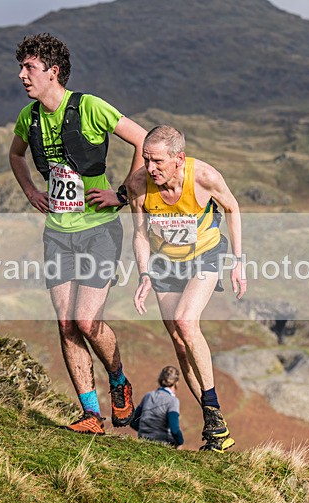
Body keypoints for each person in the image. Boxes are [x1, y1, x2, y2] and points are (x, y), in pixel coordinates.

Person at [8, 33, 148, 434]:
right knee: (66, 324)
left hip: (98, 230)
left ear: (53, 72)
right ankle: (91, 415)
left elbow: (142, 140)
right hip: (58, 233)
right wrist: (32, 191)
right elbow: (15, 155)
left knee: (87, 322)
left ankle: (119, 381)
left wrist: (122, 193)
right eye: (21, 68)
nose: (22, 76)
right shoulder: (29, 118)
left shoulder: (89, 107)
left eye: (29, 68)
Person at [126, 125, 247, 452]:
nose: (150, 168)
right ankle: (215, 427)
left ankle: (213, 412)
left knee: (185, 321)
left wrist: (238, 260)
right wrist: (144, 274)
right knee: (179, 343)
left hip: (205, 255)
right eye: (146, 160)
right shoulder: (138, 184)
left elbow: (232, 208)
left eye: (157, 162)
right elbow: (139, 233)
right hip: (164, 262)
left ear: (179, 160)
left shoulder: (204, 177)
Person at [130, 366, 185, 448]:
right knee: (179, 444)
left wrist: (147, 432)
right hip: (162, 442)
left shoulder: (148, 396)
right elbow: (174, 429)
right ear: (176, 382)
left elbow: (133, 422)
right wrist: (181, 441)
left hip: (143, 439)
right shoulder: (173, 401)